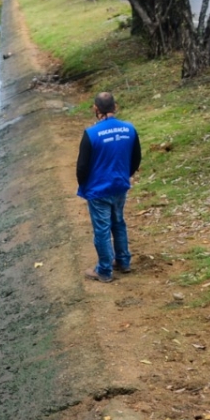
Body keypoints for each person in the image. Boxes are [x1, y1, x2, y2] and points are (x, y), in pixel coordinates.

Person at [76, 91, 142, 283]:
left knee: (102, 229)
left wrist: (84, 185)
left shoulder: (91, 134)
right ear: (115, 107)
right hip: (120, 186)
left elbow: (82, 166)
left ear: (96, 109)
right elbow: (136, 158)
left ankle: (104, 270)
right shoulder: (129, 129)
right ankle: (123, 261)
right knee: (118, 222)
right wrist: (125, 175)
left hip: (98, 190)